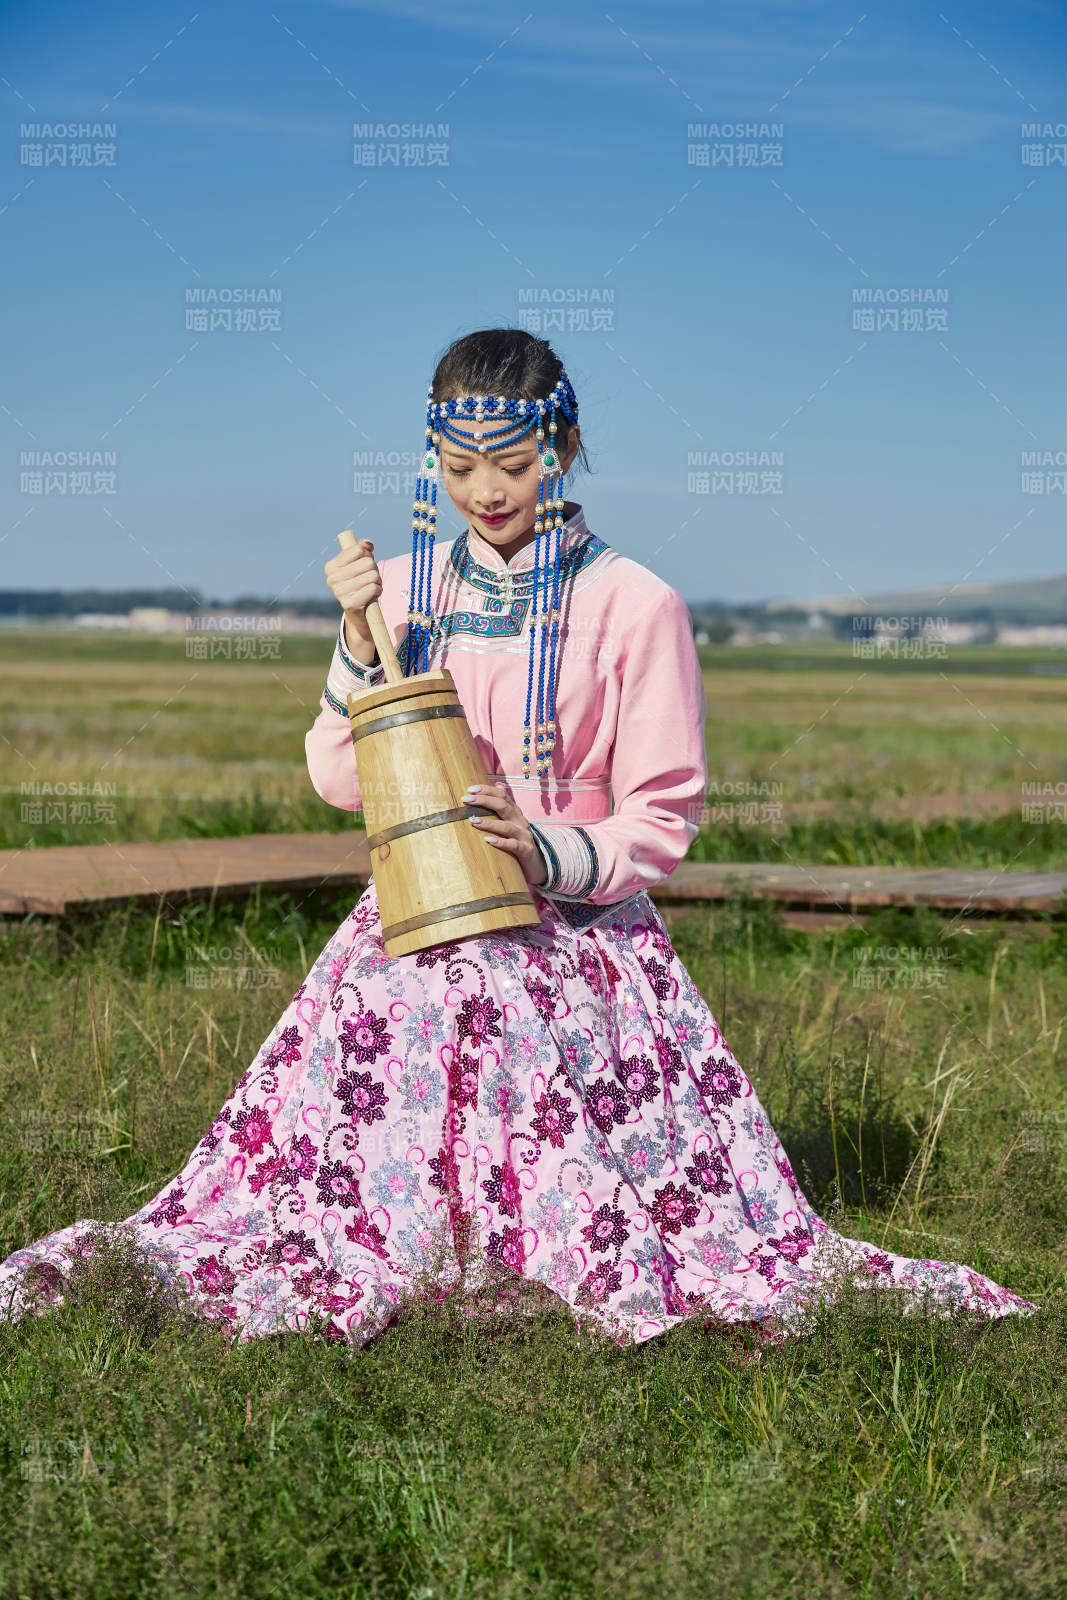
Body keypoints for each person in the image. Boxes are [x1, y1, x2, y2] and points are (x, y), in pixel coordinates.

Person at [0, 329, 1035, 1348]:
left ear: (564, 446)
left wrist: (541, 849)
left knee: (494, 1005)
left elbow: (660, 817)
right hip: (418, 907)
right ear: (432, 461)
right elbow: (332, 774)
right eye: (459, 467)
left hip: (576, 931)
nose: (486, 490)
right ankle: (403, 1243)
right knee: (406, 1001)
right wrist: (362, 640)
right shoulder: (399, 591)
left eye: (512, 462)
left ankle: (532, 1245)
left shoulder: (634, 604)